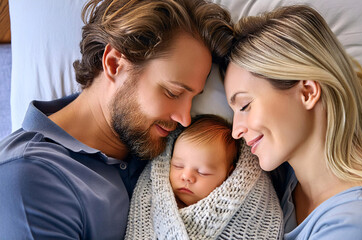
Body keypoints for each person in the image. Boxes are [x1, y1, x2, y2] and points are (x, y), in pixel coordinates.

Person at [0, 0, 233, 239]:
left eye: (193, 99)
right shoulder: (30, 179)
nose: (184, 119)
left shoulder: (164, 146)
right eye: (172, 93)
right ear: (114, 64)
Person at [223, 5, 362, 239]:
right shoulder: (292, 183)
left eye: (245, 106)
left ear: (307, 92)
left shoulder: (361, 223)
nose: (236, 131)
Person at [124, 114, 283, 239]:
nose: (186, 176)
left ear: (229, 175)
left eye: (202, 172)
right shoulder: (153, 201)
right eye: (178, 166)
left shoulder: (242, 209)